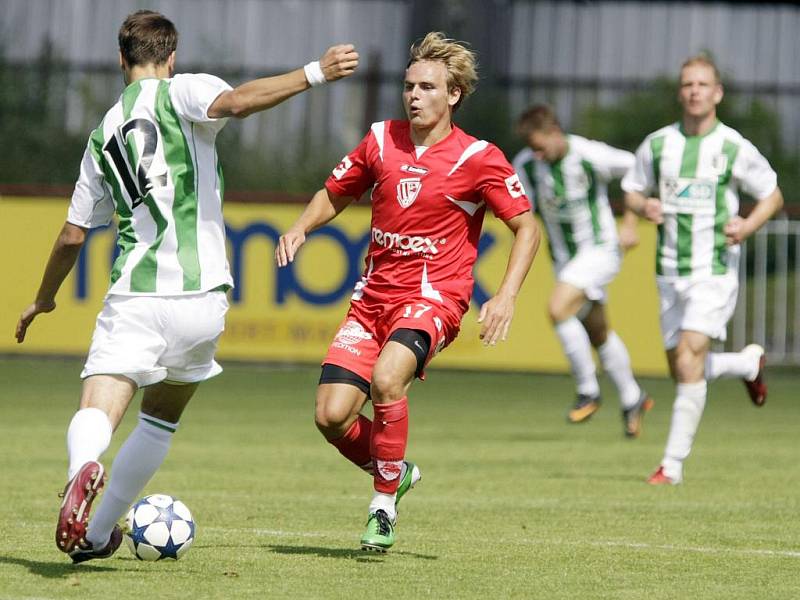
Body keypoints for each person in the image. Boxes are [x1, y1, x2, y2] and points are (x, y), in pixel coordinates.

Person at [15, 9, 358, 562]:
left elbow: (74, 235)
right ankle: (98, 535)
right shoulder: (183, 92)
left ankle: (84, 471)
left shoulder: (103, 132)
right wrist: (314, 72)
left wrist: (45, 296)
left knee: (99, 409)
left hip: (137, 295)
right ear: (171, 57)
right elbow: (239, 102)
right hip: (203, 299)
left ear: (120, 59)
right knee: (159, 418)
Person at [275, 32, 540, 552]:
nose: (413, 96)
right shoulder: (380, 139)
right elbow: (336, 192)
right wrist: (302, 227)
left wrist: (506, 295)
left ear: (454, 94)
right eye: (408, 86)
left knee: (387, 377)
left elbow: (527, 228)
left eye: (426, 87)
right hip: (372, 297)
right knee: (330, 415)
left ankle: (382, 508)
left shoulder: (479, 158)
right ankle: (397, 468)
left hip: (433, 298)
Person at [622, 54, 783, 485]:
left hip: (713, 269)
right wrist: (643, 206)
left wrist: (747, 224)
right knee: (682, 366)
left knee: (691, 354)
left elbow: (772, 194)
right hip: (669, 270)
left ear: (717, 93)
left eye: (702, 84)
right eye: (687, 84)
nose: (694, 91)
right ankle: (747, 365)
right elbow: (631, 190)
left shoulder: (732, 146)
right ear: (681, 92)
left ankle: (670, 466)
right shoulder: (658, 145)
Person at [512, 105, 653, 437]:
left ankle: (588, 389)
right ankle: (633, 397)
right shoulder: (527, 166)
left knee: (557, 308)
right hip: (565, 260)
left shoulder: (590, 154)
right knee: (598, 331)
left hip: (601, 249)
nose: (537, 154)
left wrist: (631, 223)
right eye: (532, 148)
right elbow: (522, 212)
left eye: (540, 146)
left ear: (555, 132)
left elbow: (638, 172)